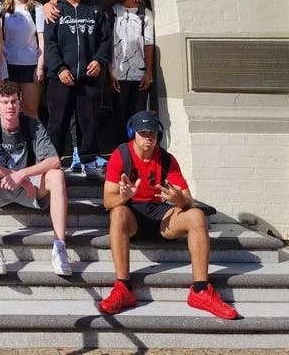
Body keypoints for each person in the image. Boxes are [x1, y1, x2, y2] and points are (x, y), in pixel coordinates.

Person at [99, 110, 239, 319]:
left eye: (153, 133)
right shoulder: (121, 155)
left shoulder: (166, 159)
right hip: (131, 215)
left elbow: (187, 199)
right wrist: (125, 196)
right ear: (133, 133)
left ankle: (200, 290)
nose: (148, 138)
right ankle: (123, 287)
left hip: (159, 214)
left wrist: (177, 198)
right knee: (117, 213)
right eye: (143, 133)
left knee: (196, 215)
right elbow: (107, 201)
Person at [0, 82, 72, 277]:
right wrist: (11, 175)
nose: (10, 106)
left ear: (19, 104)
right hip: (1, 187)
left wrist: (23, 175)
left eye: (14, 101)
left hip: (30, 187)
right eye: (5, 102)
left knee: (56, 175)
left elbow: (54, 160)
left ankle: (60, 247)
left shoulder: (32, 125)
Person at [43, 0, 118, 168]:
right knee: (61, 118)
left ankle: (86, 157)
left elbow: (105, 34)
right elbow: (54, 2)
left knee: (88, 116)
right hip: (65, 65)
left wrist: (100, 59)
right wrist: (48, 5)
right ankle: (55, 158)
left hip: (89, 59)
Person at [108, 0, 155, 147]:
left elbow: (149, 43)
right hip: (118, 73)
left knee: (138, 115)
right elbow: (108, 44)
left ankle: (137, 149)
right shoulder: (111, 12)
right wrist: (109, 72)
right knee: (119, 115)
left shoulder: (145, 13)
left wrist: (148, 72)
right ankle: (120, 152)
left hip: (140, 72)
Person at [0, 0, 45, 119]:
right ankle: (12, 142)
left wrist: (40, 67)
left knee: (30, 109)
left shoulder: (36, 8)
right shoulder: (3, 10)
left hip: (30, 65)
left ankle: (33, 141)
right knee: (10, 110)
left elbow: (41, 40)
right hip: (9, 65)